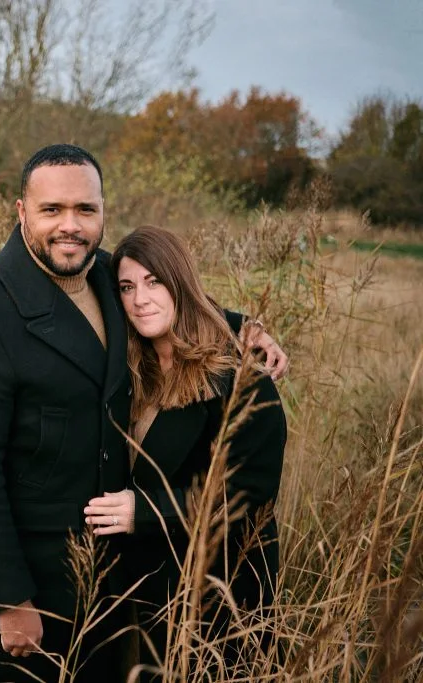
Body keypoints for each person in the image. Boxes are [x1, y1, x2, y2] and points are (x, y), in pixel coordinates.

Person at [0, 144, 288, 682]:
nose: (69, 226)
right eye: (52, 210)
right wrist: (9, 598)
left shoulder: (104, 273)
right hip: (30, 583)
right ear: (21, 211)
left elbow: (170, 293)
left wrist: (244, 329)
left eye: (85, 210)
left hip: (112, 579)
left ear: (102, 213)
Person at [83, 225, 287, 681]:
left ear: (180, 284)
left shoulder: (238, 373)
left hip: (220, 591)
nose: (140, 299)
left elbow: (249, 496)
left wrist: (147, 512)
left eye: (155, 282)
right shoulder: (131, 364)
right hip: (145, 587)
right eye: (128, 286)